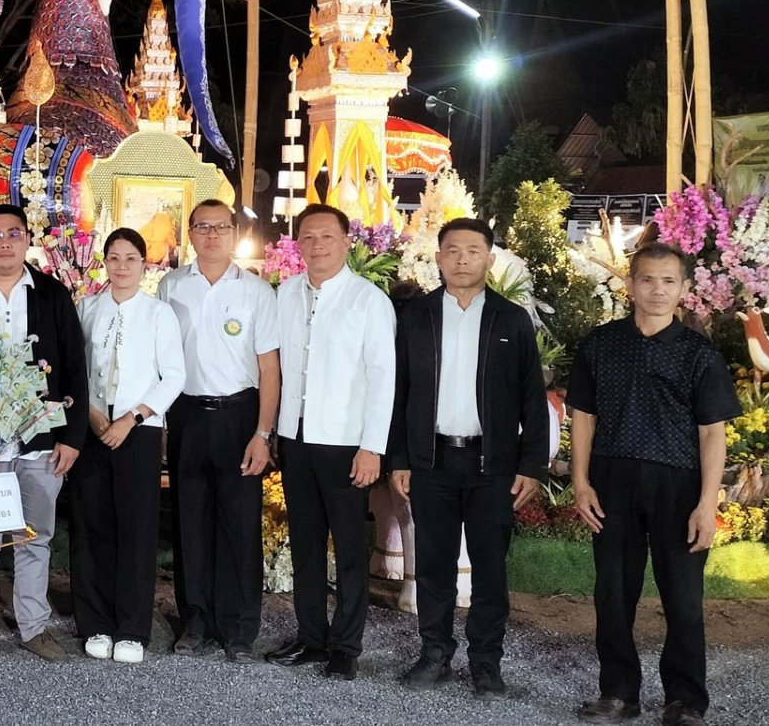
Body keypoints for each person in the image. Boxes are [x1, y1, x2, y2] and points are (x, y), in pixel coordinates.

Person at [569, 243, 739, 726]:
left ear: (684, 289)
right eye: (647, 280)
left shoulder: (699, 354)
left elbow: (712, 433)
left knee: (683, 597)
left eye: (668, 281)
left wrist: (707, 504)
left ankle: (685, 700)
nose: (657, 290)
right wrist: (580, 481)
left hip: (679, 484)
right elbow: (583, 415)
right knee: (613, 592)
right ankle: (619, 693)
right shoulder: (600, 344)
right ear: (630, 286)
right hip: (612, 480)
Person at [388, 218, 547, 698]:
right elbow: (399, 393)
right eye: (452, 251)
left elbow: (531, 398)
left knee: (490, 568)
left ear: (489, 259)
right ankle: (434, 653)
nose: (462, 260)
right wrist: (400, 457)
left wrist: (530, 466)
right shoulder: (416, 317)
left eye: (472, 251)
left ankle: (486, 663)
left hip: (491, 467)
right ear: (438, 258)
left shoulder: (511, 320)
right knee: (433, 565)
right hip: (431, 462)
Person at [0, 203, 88, 664]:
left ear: (28, 239)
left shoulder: (51, 294)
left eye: (13, 233)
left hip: (43, 439)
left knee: (35, 534)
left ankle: (33, 626)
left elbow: (75, 368)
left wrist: (73, 436)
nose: (4, 242)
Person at [266, 203, 395, 679]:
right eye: (308, 238)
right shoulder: (285, 294)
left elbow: (384, 379)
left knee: (349, 549)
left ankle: (346, 645)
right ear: (297, 245)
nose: (316, 245)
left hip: (346, 443)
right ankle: (310, 636)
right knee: (304, 543)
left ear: (346, 242)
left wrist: (372, 446)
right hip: (296, 438)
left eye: (326, 237)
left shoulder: (368, 300)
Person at [157, 199, 282, 661]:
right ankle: (195, 622)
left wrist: (262, 433)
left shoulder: (255, 291)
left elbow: (270, 369)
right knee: (190, 522)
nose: (211, 235)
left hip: (239, 417)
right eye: (202, 227)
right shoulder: (171, 286)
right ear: (189, 234)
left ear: (233, 234)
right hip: (187, 414)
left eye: (220, 227)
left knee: (240, 524)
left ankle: (238, 629)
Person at [71, 228, 184, 664]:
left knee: (136, 530)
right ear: (105, 262)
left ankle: (132, 628)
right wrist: (95, 414)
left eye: (131, 258)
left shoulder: (159, 314)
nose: (121, 266)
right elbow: (76, 369)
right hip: (93, 428)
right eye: (114, 257)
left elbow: (173, 376)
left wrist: (132, 416)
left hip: (138, 431)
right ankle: (94, 622)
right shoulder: (87, 308)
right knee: (91, 525)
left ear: (144, 264)